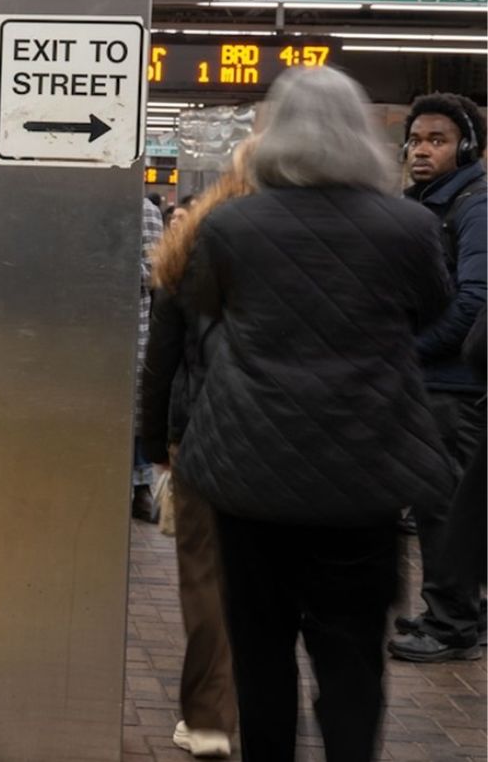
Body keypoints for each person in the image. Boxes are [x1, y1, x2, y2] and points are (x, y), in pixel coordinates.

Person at [176, 67, 454, 762]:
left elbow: (207, 310)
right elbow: (437, 310)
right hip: (363, 478)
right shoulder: (412, 225)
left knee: (261, 650)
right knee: (354, 657)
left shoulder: (232, 224)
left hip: (251, 476)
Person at [142, 139, 257, 760]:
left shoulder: (191, 242)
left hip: (204, 436)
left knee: (207, 578)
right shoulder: (350, 237)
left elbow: (160, 358)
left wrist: (155, 441)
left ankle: (211, 718)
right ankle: (270, 705)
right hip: (300, 443)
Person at [390, 93, 488, 663]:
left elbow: (477, 298)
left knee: (442, 501)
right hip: (437, 378)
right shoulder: (434, 203)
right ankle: (459, 611)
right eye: (417, 140)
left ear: (466, 147)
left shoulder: (473, 206)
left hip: (453, 383)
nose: (422, 151)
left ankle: (451, 624)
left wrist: (411, 349)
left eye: (438, 140)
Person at [131, 186, 166, 522]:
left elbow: (155, 271)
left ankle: (140, 486)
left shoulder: (144, 211)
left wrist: (113, 264)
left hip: (132, 328)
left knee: (135, 405)